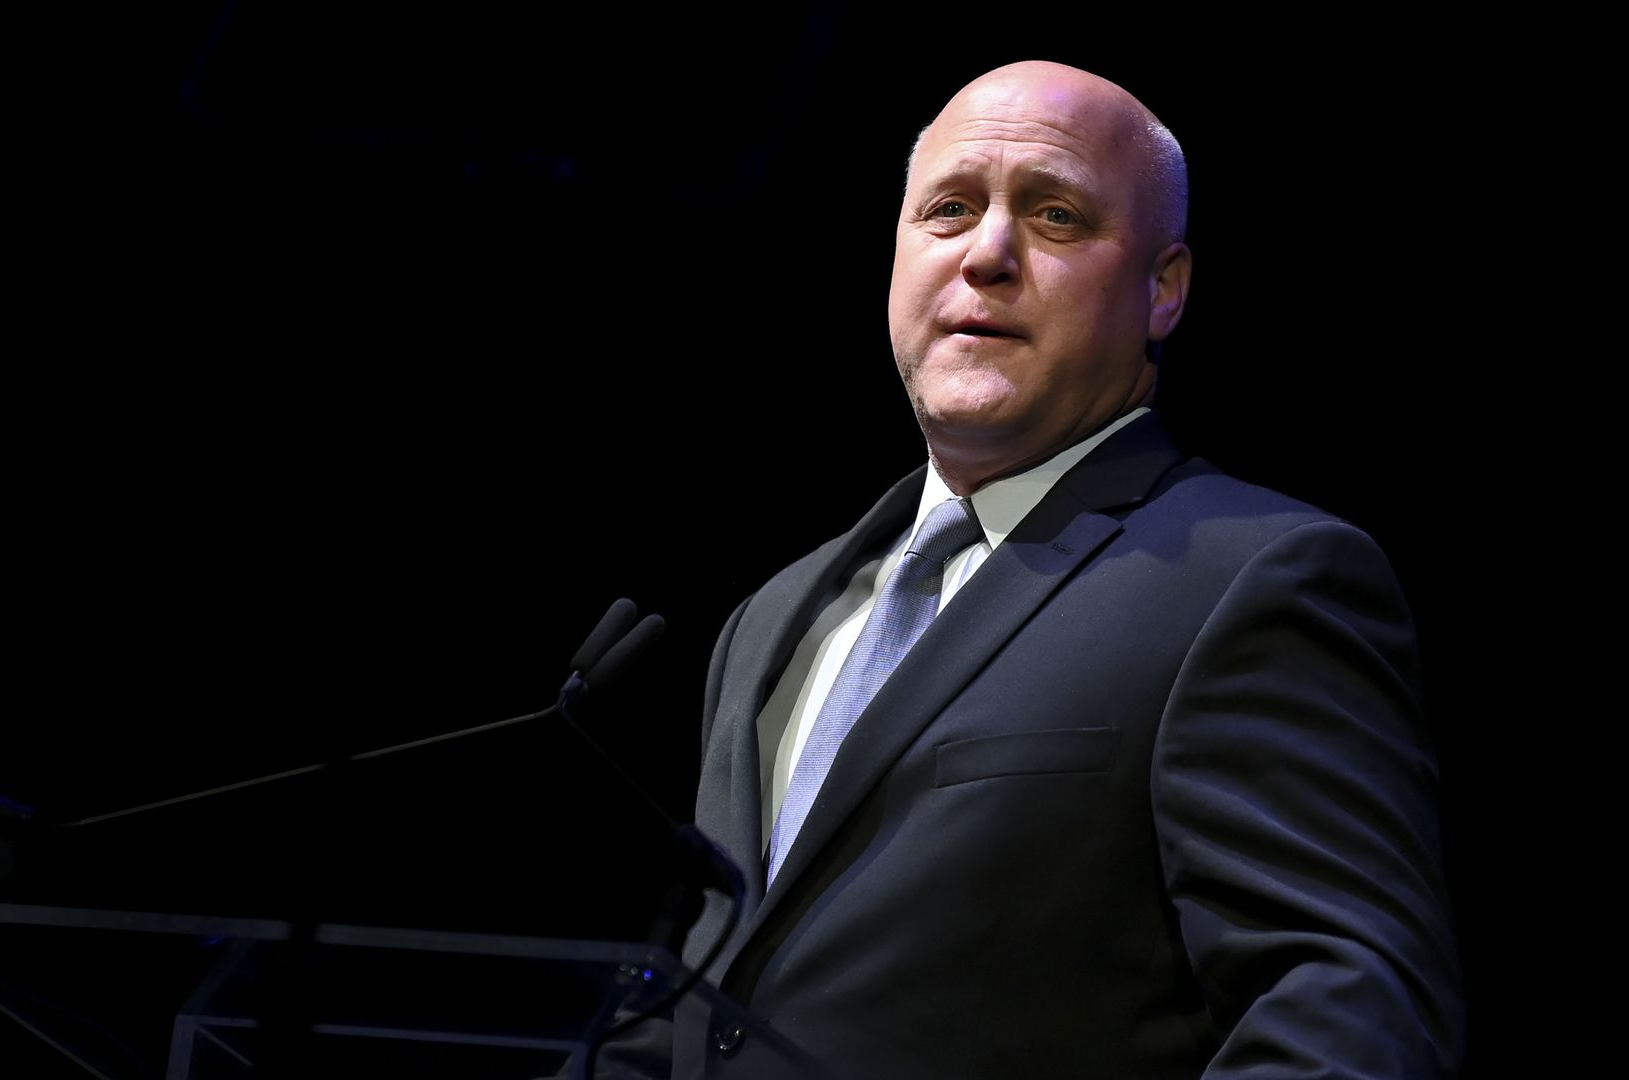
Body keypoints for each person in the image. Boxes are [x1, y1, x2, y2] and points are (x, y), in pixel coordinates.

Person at [589, 60, 1465, 1078]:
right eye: (949, 210)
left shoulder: (1258, 580)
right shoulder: (779, 614)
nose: (987, 254)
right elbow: (704, 1008)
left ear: (1164, 289)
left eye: (1055, 217)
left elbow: (1346, 1014)